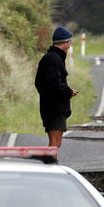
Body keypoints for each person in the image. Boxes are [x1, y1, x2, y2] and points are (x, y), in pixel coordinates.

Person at [34, 26, 78, 157]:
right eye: (69, 42)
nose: (70, 45)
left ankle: (51, 166)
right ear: (63, 42)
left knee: (55, 143)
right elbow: (55, 84)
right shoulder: (54, 60)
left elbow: (40, 83)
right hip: (55, 109)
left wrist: (48, 96)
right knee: (55, 143)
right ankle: (50, 167)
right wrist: (68, 92)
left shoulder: (51, 58)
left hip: (50, 107)